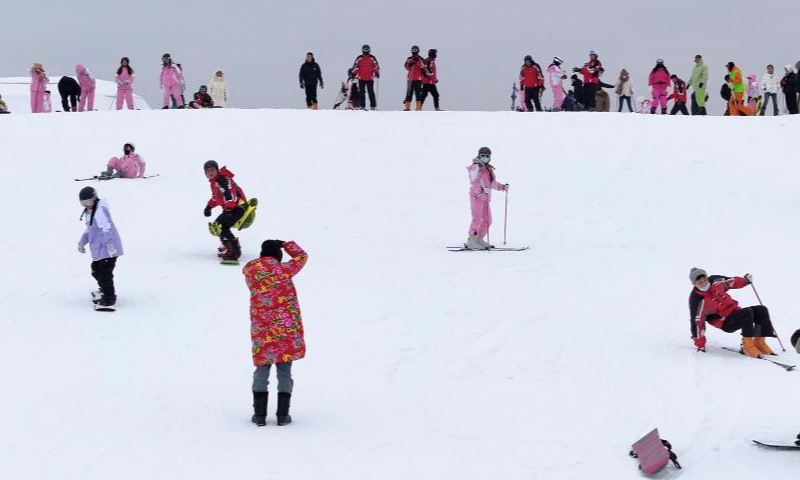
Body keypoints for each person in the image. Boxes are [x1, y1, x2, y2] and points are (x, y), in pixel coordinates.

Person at [244, 239, 309, 427]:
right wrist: (287, 244)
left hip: (262, 328)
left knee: (262, 368)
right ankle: (282, 415)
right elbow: (302, 256)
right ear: (278, 255)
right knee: (284, 370)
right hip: (286, 327)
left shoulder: (250, 270)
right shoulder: (284, 270)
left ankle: (260, 415)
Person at [688, 268, 776, 358]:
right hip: (725, 322)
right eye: (700, 282)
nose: (704, 283)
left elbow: (732, 281)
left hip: (734, 312)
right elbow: (697, 322)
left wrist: (745, 280)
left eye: (705, 279)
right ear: (694, 284)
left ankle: (759, 343)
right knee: (746, 312)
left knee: (761, 310)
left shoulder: (715, 281)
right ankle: (747, 346)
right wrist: (700, 344)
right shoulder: (697, 299)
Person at [77, 186, 124, 310]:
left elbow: (106, 228)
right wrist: (82, 242)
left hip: (108, 249)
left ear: (94, 199)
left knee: (105, 274)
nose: (86, 205)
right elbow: (90, 229)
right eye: (83, 203)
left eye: (88, 202)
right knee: (96, 270)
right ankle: (104, 290)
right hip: (100, 249)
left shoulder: (100, 211)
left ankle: (109, 299)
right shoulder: (90, 212)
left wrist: (110, 244)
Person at [466, 147, 508, 250]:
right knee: (477, 219)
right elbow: (474, 182)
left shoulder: (487, 169)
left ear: (489, 158)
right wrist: (479, 193)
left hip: (485, 198)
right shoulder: (476, 167)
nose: (485, 157)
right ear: (479, 156)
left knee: (487, 220)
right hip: (477, 197)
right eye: (482, 155)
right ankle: (471, 241)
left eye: (487, 156)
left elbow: (492, 183)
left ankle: (479, 239)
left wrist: (502, 187)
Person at [203, 160, 247, 261]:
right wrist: (208, 207)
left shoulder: (222, 180)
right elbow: (216, 197)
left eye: (212, 170)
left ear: (217, 170)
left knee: (223, 228)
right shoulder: (214, 182)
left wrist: (228, 210)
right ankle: (228, 244)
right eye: (207, 171)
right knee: (216, 227)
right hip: (230, 208)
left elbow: (230, 194)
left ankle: (235, 251)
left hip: (237, 207)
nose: (210, 172)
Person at [352, 44, 380, 110]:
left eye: (367, 49)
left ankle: (373, 106)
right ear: (362, 50)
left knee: (371, 92)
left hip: (370, 78)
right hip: (361, 78)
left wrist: (376, 72)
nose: (366, 50)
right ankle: (362, 106)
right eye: (365, 49)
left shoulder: (372, 58)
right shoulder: (359, 58)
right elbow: (356, 67)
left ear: (369, 50)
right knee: (362, 92)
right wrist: (353, 73)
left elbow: (375, 66)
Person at [403, 46, 425, 110]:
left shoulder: (421, 59)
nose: (414, 52)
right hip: (410, 79)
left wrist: (417, 61)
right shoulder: (409, 58)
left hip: (418, 79)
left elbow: (423, 66)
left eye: (415, 51)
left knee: (418, 93)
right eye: (413, 51)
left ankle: (418, 108)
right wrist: (409, 64)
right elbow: (406, 67)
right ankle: (407, 108)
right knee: (409, 93)